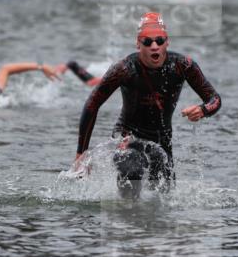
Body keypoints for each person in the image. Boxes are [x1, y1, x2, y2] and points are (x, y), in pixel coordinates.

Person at [71, 12, 222, 197]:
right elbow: (92, 104)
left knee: (164, 199)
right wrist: (81, 153)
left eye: (159, 40)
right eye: (147, 41)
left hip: (162, 140)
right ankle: (124, 222)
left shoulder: (183, 65)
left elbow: (214, 99)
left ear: (167, 42)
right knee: (132, 173)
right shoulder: (124, 69)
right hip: (127, 137)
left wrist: (203, 110)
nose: (154, 46)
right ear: (138, 43)